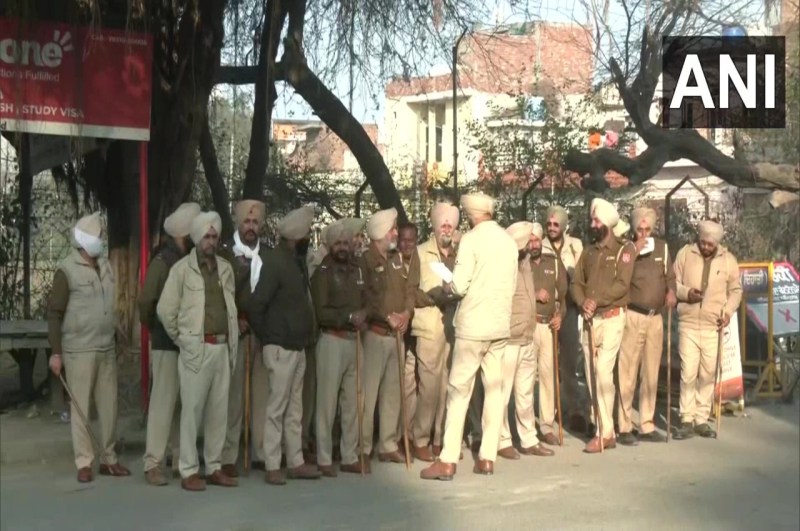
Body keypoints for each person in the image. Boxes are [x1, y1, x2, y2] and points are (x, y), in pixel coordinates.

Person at [420, 192, 518, 480]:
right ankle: (487, 457)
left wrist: (447, 287)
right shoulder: (508, 242)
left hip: (473, 326)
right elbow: (511, 287)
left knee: (459, 390)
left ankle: (447, 459)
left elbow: (460, 285)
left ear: (471, 215)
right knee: (494, 390)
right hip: (499, 326)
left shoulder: (472, 240)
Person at [157, 211, 239, 491]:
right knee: (191, 412)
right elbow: (165, 310)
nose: (211, 241)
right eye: (206, 236)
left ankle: (214, 466)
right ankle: (189, 470)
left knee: (219, 412)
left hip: (221, 346)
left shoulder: (225, 269)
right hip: (196, 348)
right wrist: (183, 340)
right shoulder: (181, 270)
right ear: (196, 238)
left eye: (215, 236)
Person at [47, 212, 131, 483]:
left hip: (106, 347)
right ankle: (84, 462)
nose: (102, 241)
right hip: (78, 350)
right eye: (98, 237)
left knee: (109, 406)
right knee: (80, 407)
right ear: (85, 241)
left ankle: (109, 458)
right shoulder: (67, 270)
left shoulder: (104, 265)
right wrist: (56, 352)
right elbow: (54, 314)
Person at [248, 206, 322, 485]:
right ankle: (271, 464)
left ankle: (295, 461)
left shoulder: (292, 261)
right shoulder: (276, 263)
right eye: (306, 235)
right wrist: (270, 337)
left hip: (296, 346)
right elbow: (257, 304)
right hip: (280, 347)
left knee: (295, 409)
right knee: (277, 408)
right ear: (298, 237)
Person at [140, 202, 201, 485]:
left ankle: (179, 459)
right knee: (163, 404)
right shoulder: (163, 262)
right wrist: (157, 328)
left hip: (186, 342)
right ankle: (153, 462)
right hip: (167, 343)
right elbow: (146, 302)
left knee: (183, 404)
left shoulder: (189, 259)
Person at [570, 198, 636, 454]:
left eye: (596, 221)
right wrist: (582, 301)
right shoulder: (588, 252)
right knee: (591, 374)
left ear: (607, 223)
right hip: (589, 320)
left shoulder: (624, 249)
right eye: (592, 220)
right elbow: (577, 283)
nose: (592, 224)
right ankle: (603, 428)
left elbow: (622, 285)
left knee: (603, 374)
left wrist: (595, 300)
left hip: (612, 318)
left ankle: (605, 432)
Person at [358, 208, 420, 464]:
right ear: (381, 232)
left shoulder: (395, 259)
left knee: (393, 393)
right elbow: (367, 298)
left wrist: (406, 312)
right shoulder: (365, 261)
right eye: (393, 229)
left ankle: (387, 444)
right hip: (375, 333)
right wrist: (388, 317)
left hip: (396, 334)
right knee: (368, 394)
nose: (396, 233)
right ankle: (361, 448)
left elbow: (408, 289)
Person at [672, 220, 742, 440]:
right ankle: (686, 418)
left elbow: (736, 291)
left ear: (717, 243)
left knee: (707, 373)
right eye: (702, 242)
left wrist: (728, 311)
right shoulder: (685, 254)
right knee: (688, 372)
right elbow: (672, 283)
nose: (705, 247)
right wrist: (685, 293)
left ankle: (701, 419)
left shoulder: (728, 261)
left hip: (713, 325)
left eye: (710, 244)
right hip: (689, 323)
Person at [310, 222, 370, 476]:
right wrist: (348, 316)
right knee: (327, 402)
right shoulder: (322, 272)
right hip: (331, 340)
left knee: (353, 401)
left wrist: (365, 313)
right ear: (331, 246)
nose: (343, 248)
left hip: (354, 340)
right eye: (338, 244)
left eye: (346, 243)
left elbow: (368, 299)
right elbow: (320, 311)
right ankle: (324, 458)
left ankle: (349, 455)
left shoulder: (358, 269)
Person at [616, 208, 677, 445]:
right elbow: (620, 278)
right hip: (633, 315)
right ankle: (623, 425)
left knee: (651, 372)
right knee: (627, 371)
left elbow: (669, 276)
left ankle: (647, 423)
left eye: (647, 230)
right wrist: (633, 251)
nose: (643, 234)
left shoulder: (662, 248)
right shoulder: (626, 248)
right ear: (633, 229)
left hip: (655, 318)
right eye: (639, 230)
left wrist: (671, 291)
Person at [218, 199, 270, 475]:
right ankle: (228, 456)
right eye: (247, 222)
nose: (251, 227)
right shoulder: (225, 254)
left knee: (261, 397)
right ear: (238, 224)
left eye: (255, 223)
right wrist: (235, 318)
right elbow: (220, 292)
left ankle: (260, 452)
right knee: (233, 399)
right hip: (236, 334)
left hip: (260, 335)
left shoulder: (267, 254)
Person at [497, 221, 554, 459]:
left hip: (528, 336)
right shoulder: (505, 265)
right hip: (510, 338)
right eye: (526, 241)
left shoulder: (526, 264)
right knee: (502, 392)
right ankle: (501, 440)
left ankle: (528, 438)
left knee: (525, 392)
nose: (530, 245)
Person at [410, 202, 460, 461]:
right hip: (429, 325)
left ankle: (440, 439)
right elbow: (411, 290)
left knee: (447, 385)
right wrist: (432, 298)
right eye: (443, 223)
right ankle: (420, 438)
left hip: (452, 326)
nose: (447, 228)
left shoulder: (460, 254)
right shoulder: (420, 253)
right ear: (434, 225)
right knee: (428, 387)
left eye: (451, 224)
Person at [542, 205, 586, 433]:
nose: (551, 228)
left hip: (569, 308)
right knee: (548, 363)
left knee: (569, 363)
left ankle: (575, 408)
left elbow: (581, 275)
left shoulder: (575, 246)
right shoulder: (540, 245)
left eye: (555, 224)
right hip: (548, 309)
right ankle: (551, 410)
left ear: (564, 226)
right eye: (548, 224)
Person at [528, 222, 567, 447]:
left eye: (537, 240)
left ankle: (546, 425)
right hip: (528, 325)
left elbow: (563, 295)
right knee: (524, 379)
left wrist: (560, 315)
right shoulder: (520, 263)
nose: (534, 244)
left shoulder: (553, 262)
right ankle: (524, 426)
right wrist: (533, 294)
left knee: (548, 376)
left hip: (548, 326)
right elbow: (514, 293)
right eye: (530, 240)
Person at [397, 222, 421, 445]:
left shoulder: (422, 261)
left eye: (410, 240)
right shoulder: (391, 262)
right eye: (402, 240)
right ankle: (398, 434)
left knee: (414, 385)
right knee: (400, 385)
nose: (406, 244)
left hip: (419, 331)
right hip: (398, 331)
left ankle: (410, 433)